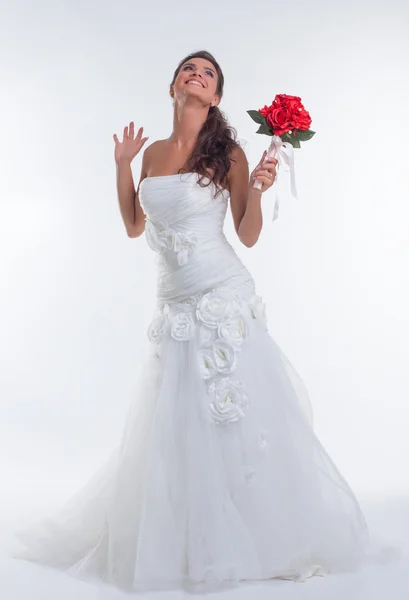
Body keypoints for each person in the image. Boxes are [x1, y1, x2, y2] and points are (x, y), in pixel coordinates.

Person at [13, 50, 370, 593]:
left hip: (222, 296)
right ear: (173, 87)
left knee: (233, 419)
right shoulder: (152, 152)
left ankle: (256, 536)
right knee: (179, 427)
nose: (196, 75)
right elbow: (135, 224)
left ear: (217, 97)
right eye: (189, 69)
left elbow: (247, 235)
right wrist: (121, 166)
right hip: (174, 305)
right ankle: (186, 536)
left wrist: (261, 189)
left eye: (207, 73)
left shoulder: (228, 153)